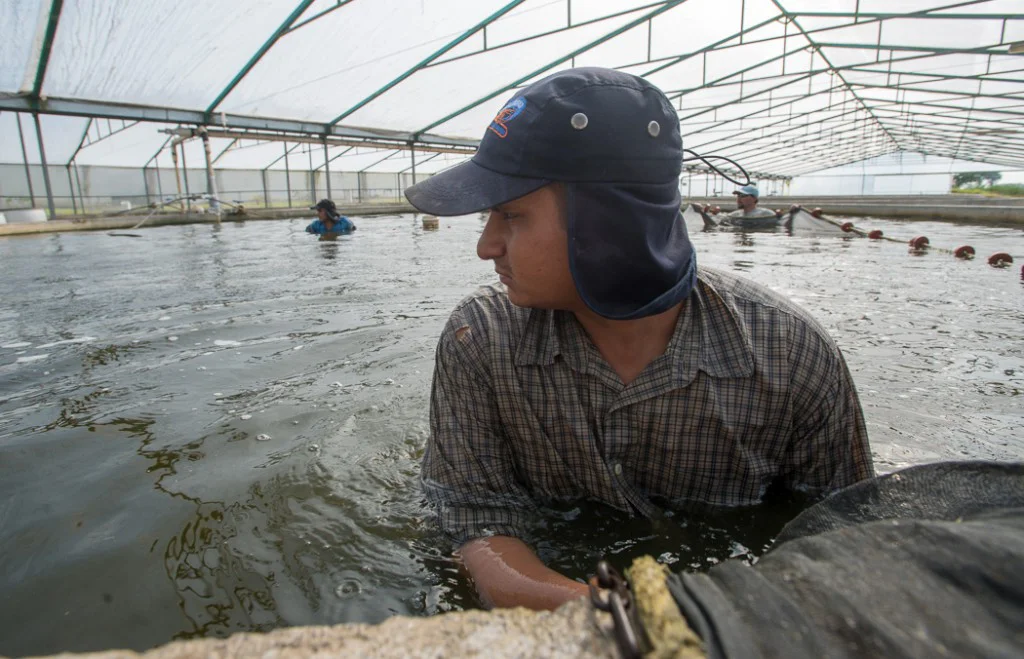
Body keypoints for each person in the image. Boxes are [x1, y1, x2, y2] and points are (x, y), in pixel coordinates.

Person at [404, 67, 873, 612]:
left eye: (510, 215)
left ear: (607, 223)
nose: (486, 247)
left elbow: (843, 534)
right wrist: (636, 624)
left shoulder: (788, 351)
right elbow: (473, 517)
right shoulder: (479, 338)